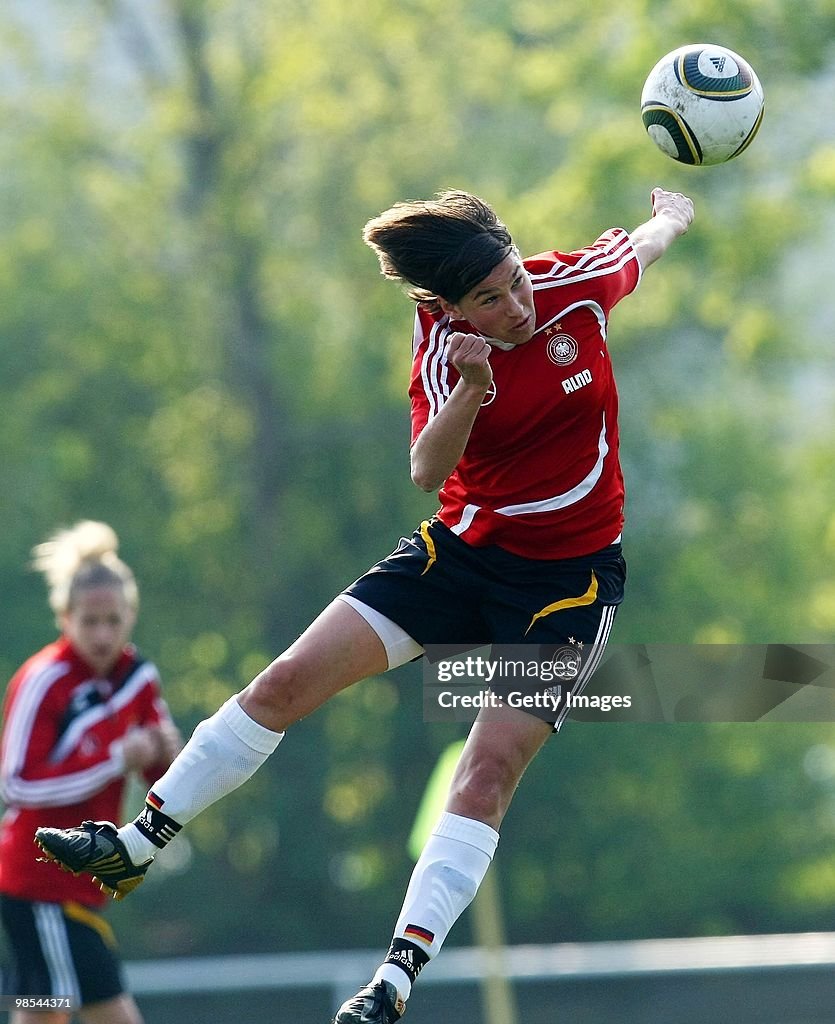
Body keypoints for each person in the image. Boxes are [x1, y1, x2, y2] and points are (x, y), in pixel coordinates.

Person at [35, 187, 694, 1023]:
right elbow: (426, 468)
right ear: (444, 306)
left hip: (568, 584)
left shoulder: (569, 287)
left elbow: (640, 248)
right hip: (458, 556)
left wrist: (672, 213)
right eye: (489, 300)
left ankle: (393, 981)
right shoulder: (439, 352)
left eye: (513, 281)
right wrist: (470, 386)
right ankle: (135, 846)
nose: (516, 305)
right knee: (281, 684)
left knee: (486, 771)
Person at [1, 522, 182, 1024]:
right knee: (107, 1012)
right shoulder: (44, 680)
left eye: (113, 620)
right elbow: (15, 784)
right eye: (90, 621)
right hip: (39, 886)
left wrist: (168, 756)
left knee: (41, 1011)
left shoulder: (138, 677)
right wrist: (113, 760)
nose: (103, 634)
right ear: (64, 617)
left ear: (131, 615)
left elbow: (161, 781)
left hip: (81, 886)